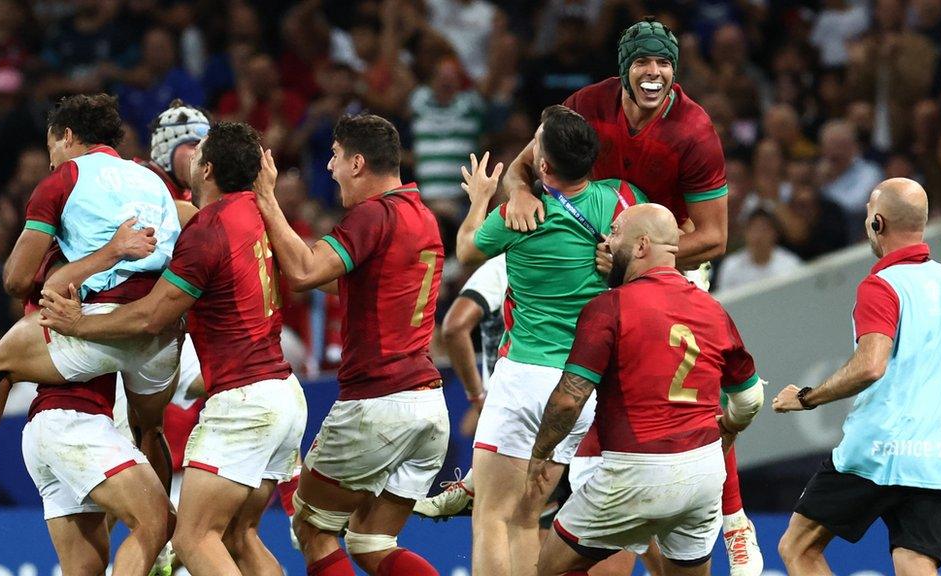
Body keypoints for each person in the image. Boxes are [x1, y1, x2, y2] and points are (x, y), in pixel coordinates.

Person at [500, 17, 762, 573]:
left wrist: (641, 256)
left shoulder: (694, 129)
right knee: (582, 375)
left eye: (664, 63)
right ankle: (555, 481)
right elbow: (524, 167)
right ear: (624, 69)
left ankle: (734, 517)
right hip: (593, 262)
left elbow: (713, 236)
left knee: (693, 393)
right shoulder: (585, 105)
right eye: (643, 62)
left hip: (666, 266)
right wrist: (520, 193)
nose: (654, 73)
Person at [40, 121, 307, 576]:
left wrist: (79, 321)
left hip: (244, 402)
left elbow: (150, 316)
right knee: (239, 537)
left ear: (206, 168)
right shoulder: (257, 213)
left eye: (196, 152)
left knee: (192, 537)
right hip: (283, 394)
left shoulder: (209, 230)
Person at [252, 113, 448, 576]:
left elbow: (305, 272)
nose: (330, 168)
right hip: (428, 406)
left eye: (336, 157)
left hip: (378, 404)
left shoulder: (373, 214)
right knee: (370, 540)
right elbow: (345, 284)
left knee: (312, 528)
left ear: (357, 162)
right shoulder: (420, 215)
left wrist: (266, 200)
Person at [457, 105, 649, 576]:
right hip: (579, 386)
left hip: (522, 377)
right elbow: (657, 251)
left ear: (544, 166)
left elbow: (464, 251)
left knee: (492, 518)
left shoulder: (518, 217)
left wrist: (482, 198)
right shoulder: (621, 202)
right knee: (527, 518)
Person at [526, 203, 765, 576]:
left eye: (616, 231)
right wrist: (730, 426)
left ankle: (736, 522)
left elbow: (569, 398)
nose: (607, 240)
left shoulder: (609, 307)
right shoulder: (713, 309)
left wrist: (541, 451)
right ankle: (736, 524)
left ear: (640, 246)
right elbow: (750, 400)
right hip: (702, 474)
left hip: (634, 471)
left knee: (550, 568)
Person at [772, 177, 941, 575]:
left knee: (798, 547)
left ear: (877, 224)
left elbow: (872, 364)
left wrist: (807, 397)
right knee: (914, 562)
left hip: (878, 449)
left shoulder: (881, 285)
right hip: (938, 457)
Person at [0, 94, 182, 466]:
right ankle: (163, 525)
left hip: (101, 323)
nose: (51, 159)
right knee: (151, 429)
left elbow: (16, 281)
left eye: (51, 146)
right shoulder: (155, 181)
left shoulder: (64, 178)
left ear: (67, 136)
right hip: (163, 335)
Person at [23, 224, 174, 575]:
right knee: (157, 520)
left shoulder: (84, 270)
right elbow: (53, 290)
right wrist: (115, 249)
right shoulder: (63, 267)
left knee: (85, 570)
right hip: (73, 421)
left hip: (49, 428)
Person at [412, 254, 506, 519]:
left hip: (521, 399)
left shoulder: (506, 263)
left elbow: (467, 248)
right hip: (583, 398)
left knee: (497, 519)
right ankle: (475, 482)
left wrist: (477, 397)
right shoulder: (594, 259)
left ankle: (475, 486)